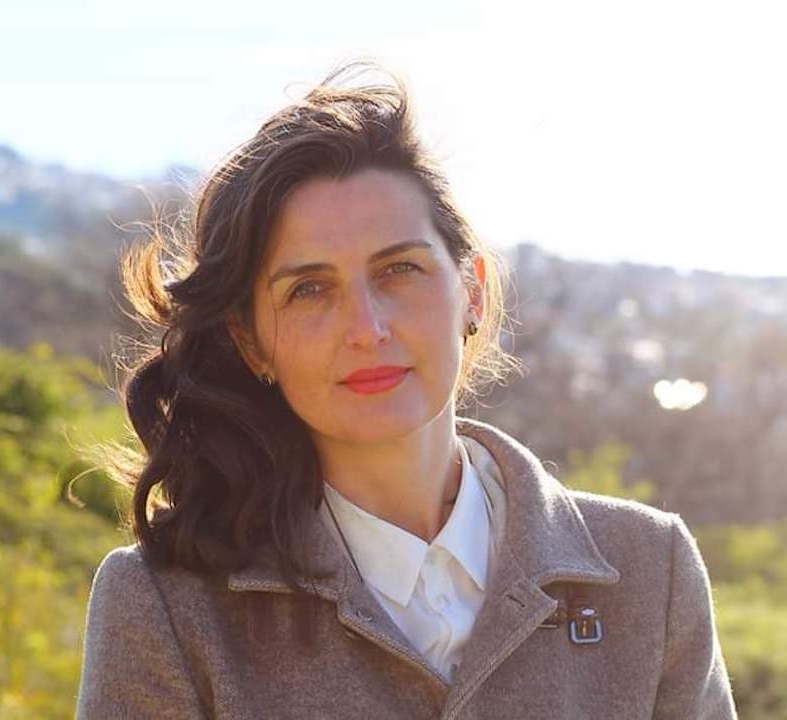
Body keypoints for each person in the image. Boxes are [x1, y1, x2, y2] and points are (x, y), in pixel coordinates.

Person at [76, 61, 737, 719]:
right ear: (251, 343)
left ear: (473, 291)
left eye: (399, 269)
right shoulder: (165, 609)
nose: (367, 329)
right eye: (309, 289)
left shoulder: (651, 570)